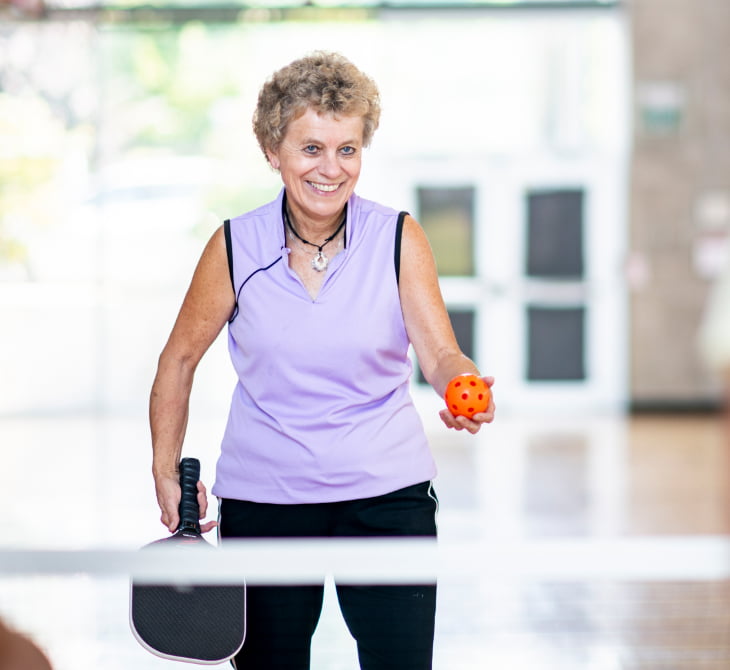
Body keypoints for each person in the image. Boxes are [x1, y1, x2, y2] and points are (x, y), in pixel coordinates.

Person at [150, 51, 495, 670]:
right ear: (272, 150)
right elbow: (177, 361)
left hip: (387, 495)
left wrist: (460, 381)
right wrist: (163, 465)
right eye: (311, 148)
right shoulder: (235, 246)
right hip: (267, 499)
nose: (330, 169)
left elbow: (440, 351)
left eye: (348, 149)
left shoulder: (398, 236)